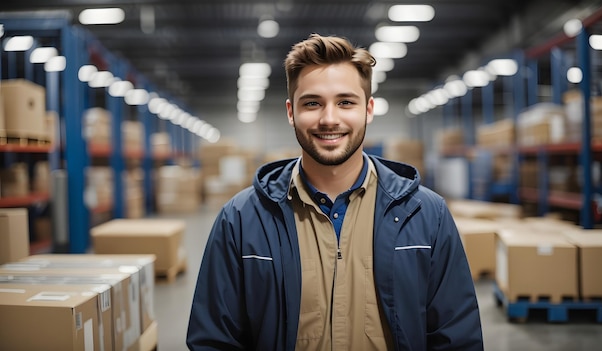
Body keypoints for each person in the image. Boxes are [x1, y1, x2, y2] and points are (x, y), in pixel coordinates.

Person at [187, 33, 483, 351]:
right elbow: (214, 341)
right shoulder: (242, 219)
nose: (329, 119)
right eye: (312, 103)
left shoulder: (427, 215)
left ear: (368, 109)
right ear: (291, 112)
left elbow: (456, 338)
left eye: (345, 102)